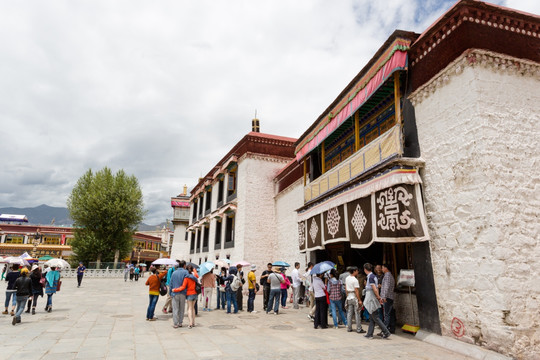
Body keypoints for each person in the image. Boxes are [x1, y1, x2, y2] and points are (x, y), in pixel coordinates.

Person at [363, 263, 390, 339]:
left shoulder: (370, 277)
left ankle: (386, 332)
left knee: (375, 317)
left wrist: (378, 297)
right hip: (373, 298)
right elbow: (377, 288)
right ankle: (369, 334)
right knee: (372, 317)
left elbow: (374, 289)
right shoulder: (373, 276)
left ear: (365, 269)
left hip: (371, 298)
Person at [169, 260, 197, 328]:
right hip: (183, 293)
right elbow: (193, 277)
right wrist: (196, 279)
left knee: (175, 309)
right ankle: (180, 322)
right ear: (184, 265)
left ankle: (175, 323)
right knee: (182, 308)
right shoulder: (186, 272)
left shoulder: (174, 273)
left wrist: (170, 292)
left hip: (175, 293)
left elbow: (171, 283)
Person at [345, 266, 366, 334]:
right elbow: (356, 290)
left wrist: (347, 295)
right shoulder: (355, 280)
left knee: (349, 313)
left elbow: (346, 288)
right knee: (357, 313)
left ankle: (349, 327)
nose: (358, 272)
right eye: (357, 271)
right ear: (354, 271)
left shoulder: (347, 278)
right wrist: (359, 299)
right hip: (354, 297)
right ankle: (359, 328)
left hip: (349, 297)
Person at [380, 264, 396, 334]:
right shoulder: (390, 275)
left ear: (386, 268)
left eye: (382, 268)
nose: (382, 269)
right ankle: (392, 328)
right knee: (390, 313)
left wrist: (384, 297)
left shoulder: (387, 276)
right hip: (390, 297)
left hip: (387, 297)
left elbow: (386, 287)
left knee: (386, 314)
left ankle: (385, 330)